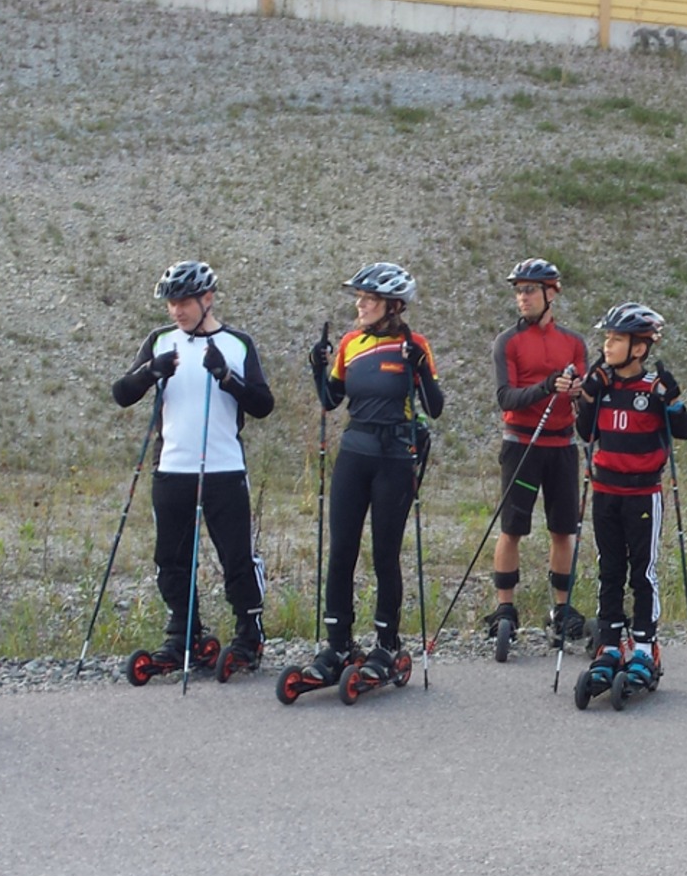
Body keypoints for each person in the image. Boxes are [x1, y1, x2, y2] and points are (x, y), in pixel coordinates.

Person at [111, 260, 275, 676]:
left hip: (223, 469)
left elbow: (263, 405)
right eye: (170, 303)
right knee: (171, 559)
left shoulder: (238, 344)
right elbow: (121, 394)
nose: (175, 311)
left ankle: (249, 633)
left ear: (208, 298)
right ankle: (184, 634)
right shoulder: (161, 340)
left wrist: (227, 378)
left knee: (236, 557)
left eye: (183, 302)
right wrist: (151, 371)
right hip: (173, 468)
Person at [299, 262, 444, 689]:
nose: (360, 304)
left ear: (393, 305)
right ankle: (337, 643)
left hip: (395, 458)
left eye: (369, 298)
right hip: (355, 453)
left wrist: (419, 366)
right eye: (359, 297)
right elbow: (331, 399)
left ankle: (386, 643)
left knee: (385, 554)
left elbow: (433, 407)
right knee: (341, 548)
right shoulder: (350, 343)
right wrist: (317, 368)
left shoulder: (414, 345)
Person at [573, 302, 687, 692]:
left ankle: (643, 647)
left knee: (642, 572)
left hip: (642, 494)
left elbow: (684, 430)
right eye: (607, 338)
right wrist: (587, 398)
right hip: (605, 491)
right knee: (609, 569)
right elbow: (585, 433)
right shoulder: (603, 386)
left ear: (639, 348)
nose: (607, 346)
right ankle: (609, 644)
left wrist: (672, 401)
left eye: (616, 339)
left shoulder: (651, 389)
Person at [486, 258, 589, 651]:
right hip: (522, 444)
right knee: (512, 527)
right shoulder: (507, 341)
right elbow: (505, 397)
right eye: (518, 290)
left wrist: (579, 392)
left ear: (551, 294)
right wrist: (548, 386)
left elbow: (582, 395)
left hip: (561, 446)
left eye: (529, 290)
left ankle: (561, 610)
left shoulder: (575, 343)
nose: (521, 297)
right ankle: (505, 609)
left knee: (564, 530)